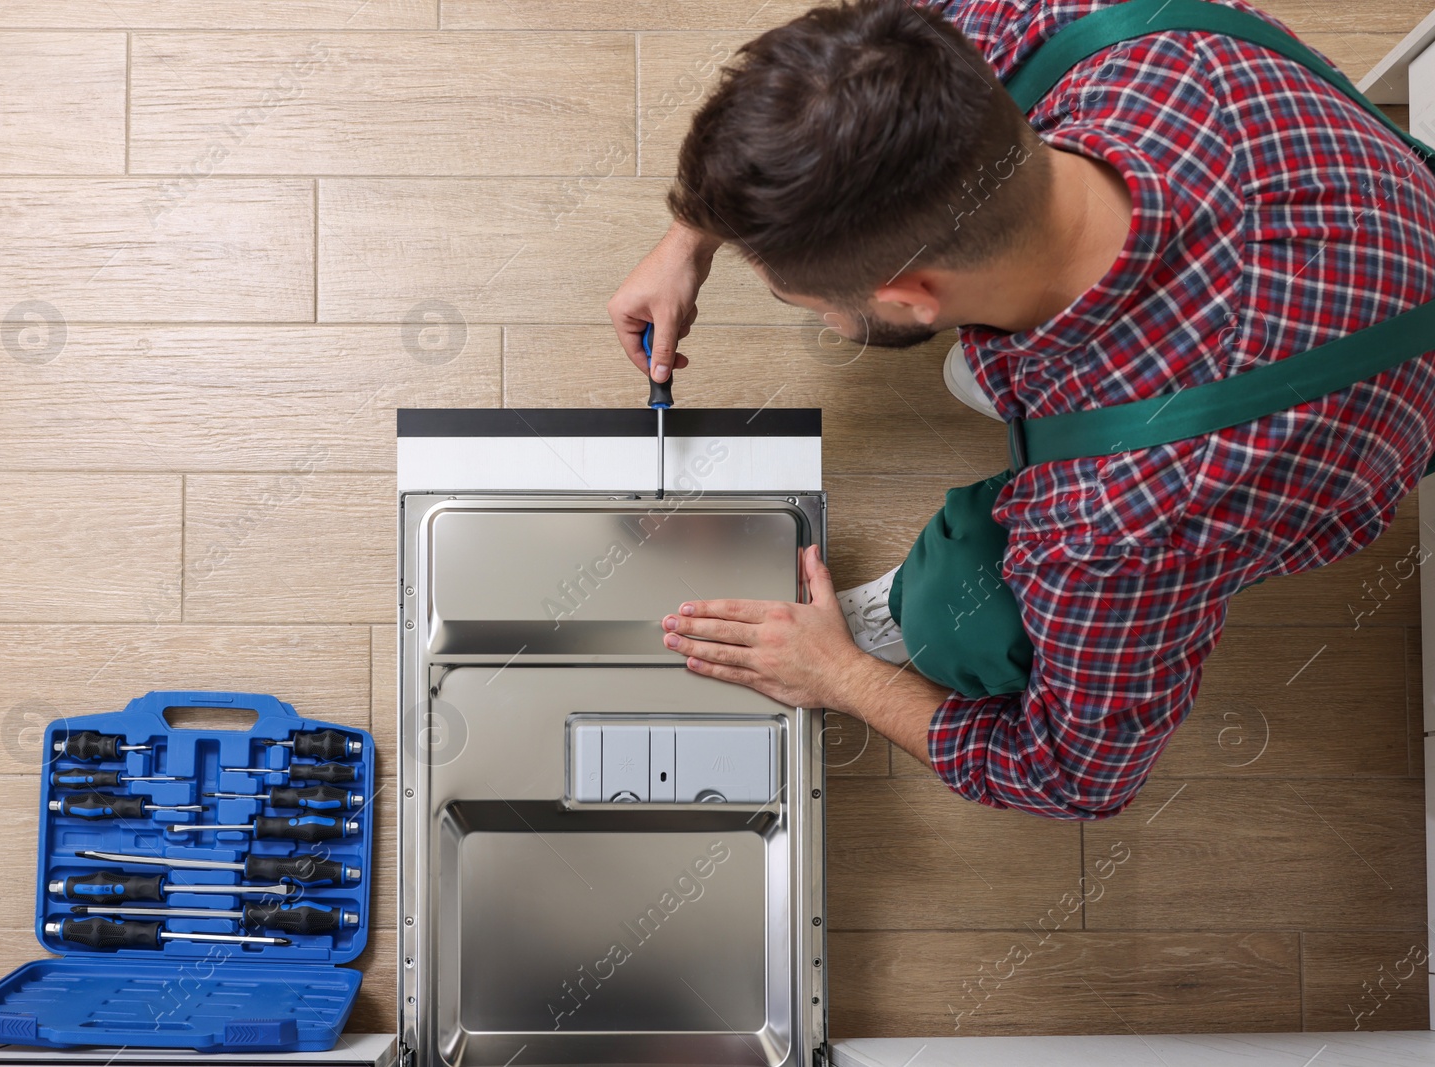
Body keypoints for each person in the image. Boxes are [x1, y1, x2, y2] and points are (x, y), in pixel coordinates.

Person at [607, 0, 1435, 819]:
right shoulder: (1124, 35)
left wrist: (838, 675)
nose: (815, 315)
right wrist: (691, 234)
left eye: (809, 302)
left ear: (913, 296)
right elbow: (854, 69)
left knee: (954, 606)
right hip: (1377, 218)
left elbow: (1074, 776)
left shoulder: (1120, 517)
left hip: (1356, 406)